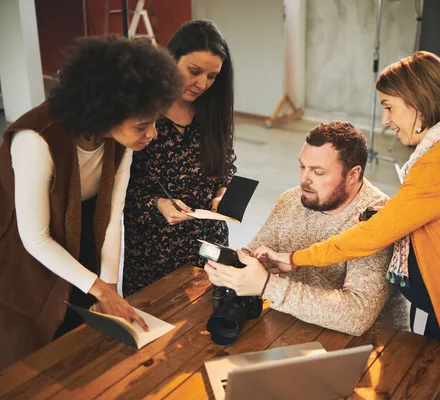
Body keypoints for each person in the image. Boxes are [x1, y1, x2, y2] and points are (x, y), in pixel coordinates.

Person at [252, 51, 440, 399]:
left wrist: (294, 259)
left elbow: (369, 237)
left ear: (417, 105)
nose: (384, 120)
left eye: (389, 106)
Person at [0, 35, 182, 368]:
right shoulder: (37, 139)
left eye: (155, 121)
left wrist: (109, 285)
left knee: (82, 338)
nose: (153, 134)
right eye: (142, 125)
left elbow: (113, 216)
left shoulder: (121, 140)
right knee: (30, 348)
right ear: (103, 114)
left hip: (81, 232)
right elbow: (35, 238)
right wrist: (99, 287)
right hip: (24, 249)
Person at [204, 121, 407, 336]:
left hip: (370, 347)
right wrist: (233, 270)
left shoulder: (378, 218)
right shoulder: (291, 200)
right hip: (297, 329)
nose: (304, 180)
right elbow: (256, 253)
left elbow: (357, 316)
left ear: (353, 175)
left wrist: (267, 286)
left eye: (318, 172)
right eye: (302, 166)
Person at [122, 20, 236, 298]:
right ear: (170, 60)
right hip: (154, 248)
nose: (202, 84)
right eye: (194, 71)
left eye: (212, 77)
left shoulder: (213, 110)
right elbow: (118, 191)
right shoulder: (141, 111)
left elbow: (226, 168)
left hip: (208, 243)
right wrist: (158, 204)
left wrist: (224, 193)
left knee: (206, 323)